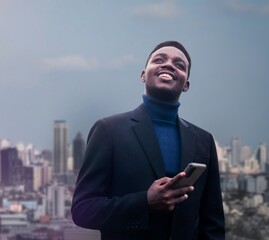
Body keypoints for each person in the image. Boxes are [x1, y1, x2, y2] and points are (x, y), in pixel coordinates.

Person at [71, 40, 225, 239]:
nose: (169, 64)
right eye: (159, 59)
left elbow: (212, 224)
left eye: (179, 65)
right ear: (143, 75)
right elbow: (82, 210)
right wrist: (145, 202)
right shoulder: (108, 130)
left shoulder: (203, 140)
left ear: (186, 84)